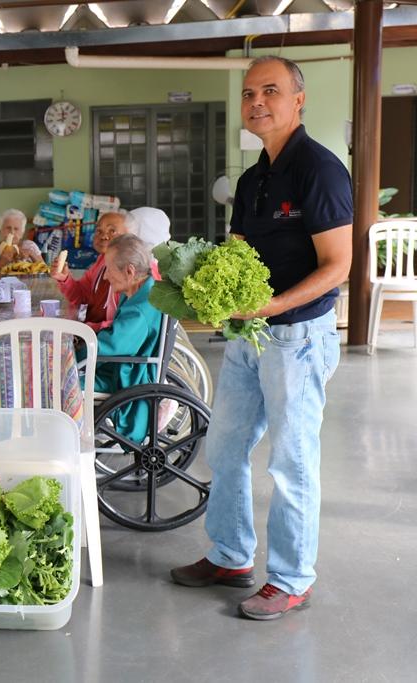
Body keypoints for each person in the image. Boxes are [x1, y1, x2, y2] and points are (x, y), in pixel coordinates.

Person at [171, 56, 352, 621]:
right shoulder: (252, 180)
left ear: (299, 100)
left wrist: (271, 305)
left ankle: (293, 578)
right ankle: (230, 554)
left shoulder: (319, 171)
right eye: (249, 93)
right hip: (249, 335)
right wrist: (208, 292)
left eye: (270, 91)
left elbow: (338, 264)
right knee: (224, 447)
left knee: (291, 461)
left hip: (297, 336)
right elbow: (238, 256)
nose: (256, 102)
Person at [91, 234, 163, 441]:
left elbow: (113, 346)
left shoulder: (140, 308)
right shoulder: (142, 291)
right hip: (124, 367)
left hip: (127, 376)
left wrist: (75, 348)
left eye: (109, 270)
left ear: (129, 271)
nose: (105, 277)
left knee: (60, 382)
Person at [50, 209, 138, 332]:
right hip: (88, 331)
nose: (103, 236)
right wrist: (65, 278)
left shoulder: (130, 271)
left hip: (103, 338)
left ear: (130, 237)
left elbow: (125, 325)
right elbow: (82, 297)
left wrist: (86, 329)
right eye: (99, 231)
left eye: (112, 231)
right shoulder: (101, 261)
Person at [0, 209, 44, 273]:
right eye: (8, 228)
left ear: (22, 233)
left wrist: (31, 254)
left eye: (16, 229)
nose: (12, 232)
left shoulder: (30, 246)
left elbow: (46, 272)